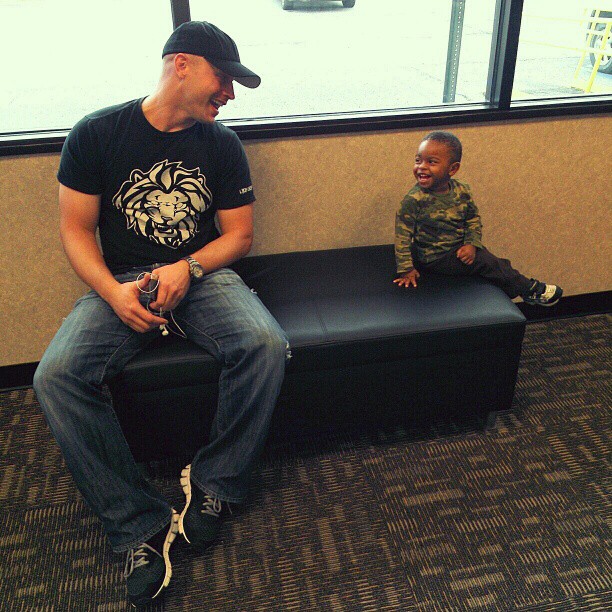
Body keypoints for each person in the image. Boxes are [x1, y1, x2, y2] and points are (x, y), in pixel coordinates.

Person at [33, 21, 290, 607]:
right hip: (122, 280)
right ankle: (138, 523)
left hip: (202, 274)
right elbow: (75, 232)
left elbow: (239, 236)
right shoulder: (97, 134)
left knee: (264, 344)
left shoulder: (220, 144)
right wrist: (113, 293)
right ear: (181, 64)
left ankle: (216, 484)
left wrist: (189, 269)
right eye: (223, 79)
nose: (229, 94)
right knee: (56, 376)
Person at [394, 130, 563, 306]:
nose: (421, 166)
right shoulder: (414, 200)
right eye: (418, 160)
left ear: (453, 169)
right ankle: (530, 289)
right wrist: (406, 269)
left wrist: (471, 243)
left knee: (490, 260)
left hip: (457, 248)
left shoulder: (462, 191)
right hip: (434, 257)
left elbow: (472, 219)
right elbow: (402, 236)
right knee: (489, 263)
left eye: (431, 162)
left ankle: (516, 290)